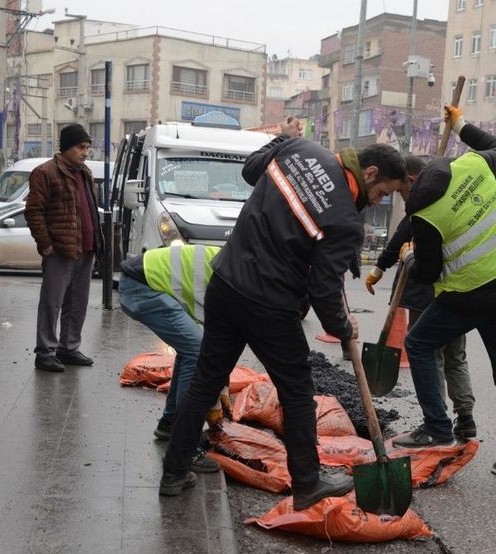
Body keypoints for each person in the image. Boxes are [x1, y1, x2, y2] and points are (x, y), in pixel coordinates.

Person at [159, 117, 406, 509]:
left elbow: (251, 168)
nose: (378, 202)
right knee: (296, 393)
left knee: (206, 381)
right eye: (382, 193)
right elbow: (324, 290)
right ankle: (307, 484)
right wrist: (343, 328)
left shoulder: (300, 150)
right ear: (370, 172)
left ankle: (173, 473)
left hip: (226, 282)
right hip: (270, 305)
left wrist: (282, 139)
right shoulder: (345, 220)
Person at [394, 105, 496, 485]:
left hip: (469, 296)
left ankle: (438, 427)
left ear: (412, 182)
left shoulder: (425, 215)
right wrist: (461, 126)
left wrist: (407, 256)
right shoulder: (473, 165)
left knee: (420, 344)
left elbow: (427, 272)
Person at [365, 156, 477, 441]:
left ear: (411, 181)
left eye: (402, 192)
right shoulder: (453, 195)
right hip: (458, 289)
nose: (404, 199)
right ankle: (465, 418)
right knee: (455, 356)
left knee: (429, 354)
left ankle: (436, 419)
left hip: (427, 290)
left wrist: (382, 265)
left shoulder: (424, 203)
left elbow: (403, 232)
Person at [118, 244, 228, 472]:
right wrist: (217, 390)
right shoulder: (243, 282)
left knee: (191, 349)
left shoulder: (243, 267)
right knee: (196, 351)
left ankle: (170, 424)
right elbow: (217, 344)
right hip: (143, 286)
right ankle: (185, 444)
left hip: (142, 281)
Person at [26, 124, 103, 372]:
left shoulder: (85, 173)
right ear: (67, 147)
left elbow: (90, 208)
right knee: (52, 302)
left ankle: (68, 348)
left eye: (88, 148)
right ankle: (45, 352)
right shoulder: (45, 172)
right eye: (81, 147)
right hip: (60, 249)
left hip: (86, 248)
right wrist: (46, 245)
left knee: (77, 302)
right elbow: (33, 211)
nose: (85, 152)